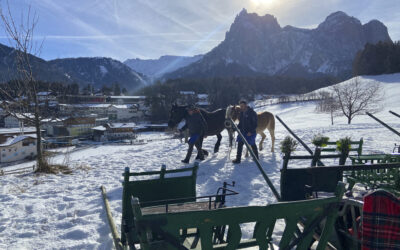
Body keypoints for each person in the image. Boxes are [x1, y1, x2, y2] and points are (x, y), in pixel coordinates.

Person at [232, 100, 259, 164]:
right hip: (243, 132)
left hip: (250, 132)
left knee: (252, 144)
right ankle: (238, 159)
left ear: (246, 105)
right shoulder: (241, 113)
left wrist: (251, 131)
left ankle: (256, 158)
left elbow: (255, 124)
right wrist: (235, 128)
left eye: (242, 106)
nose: (241, 107)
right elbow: (241, 123)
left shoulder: (252, 113)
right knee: (240, 144)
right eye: (240, 106)